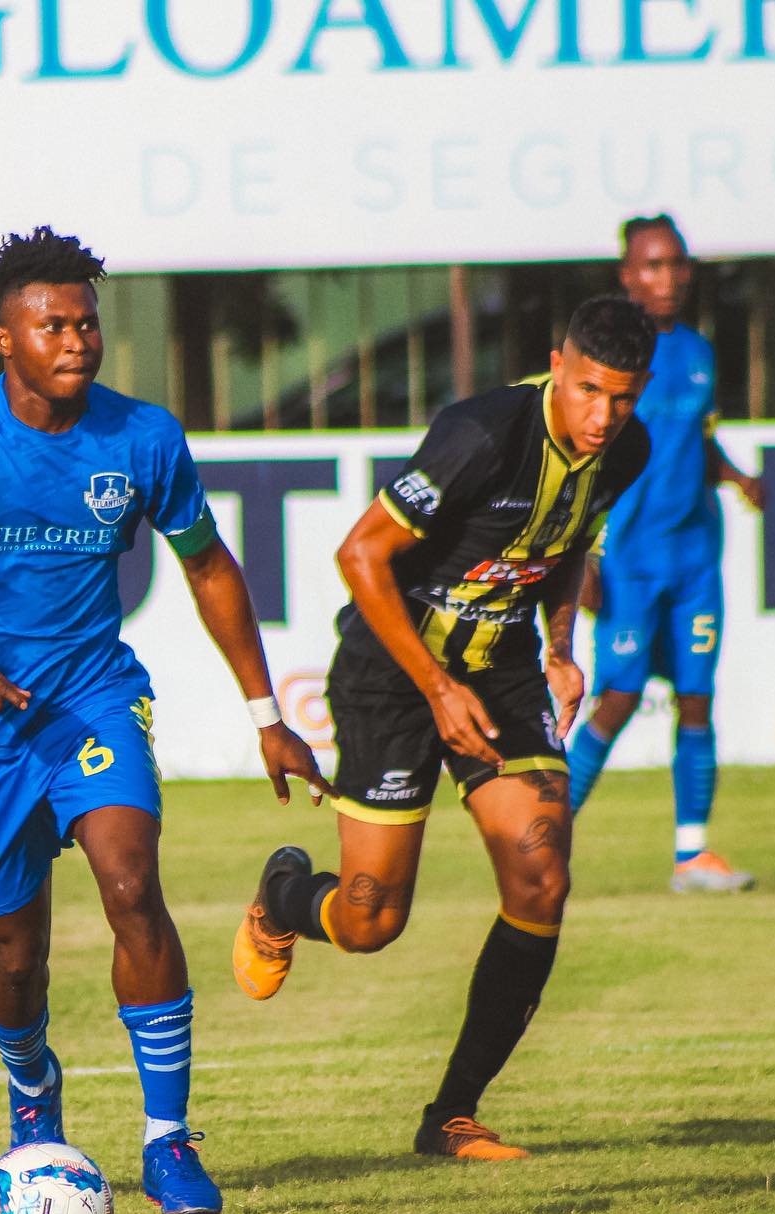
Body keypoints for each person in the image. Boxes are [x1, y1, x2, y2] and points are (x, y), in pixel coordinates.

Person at [0, 227, 325, 1214]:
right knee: (15, 957)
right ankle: (31, 1087)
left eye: (88, 324)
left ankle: (168, 1138)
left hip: (95, 699)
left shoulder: (143, 438)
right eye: (52, 325)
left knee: (132, 887)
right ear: (5, 340)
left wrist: (266, 715)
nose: (77, 341)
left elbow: (209, 566)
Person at [233, 296, 656, 1161]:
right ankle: (283, 897)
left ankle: (452, 1115)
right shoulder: (483, 434)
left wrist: (560, 649)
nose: (603, 415)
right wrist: (435, 688)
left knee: (541, 877)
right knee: (369, 922)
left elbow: (568, 544)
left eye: (622, 396)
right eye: (589, 391)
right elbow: (359, 553)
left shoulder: (626, 448)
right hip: (393, 675)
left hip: (500, 669)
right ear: (557, 366)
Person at [566, 215, 766, 892]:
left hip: (696, 558)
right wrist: (583, 555)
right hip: (630, 559)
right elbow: (584, 456)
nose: (669, 277)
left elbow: (697, 440)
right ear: (627, 275)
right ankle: (546, 837)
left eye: (677, 264)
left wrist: (736, 477)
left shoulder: (699, 351)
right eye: (653, 265)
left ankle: (692, 856)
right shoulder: (612, 360)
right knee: (618, 698)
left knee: (697, 699)